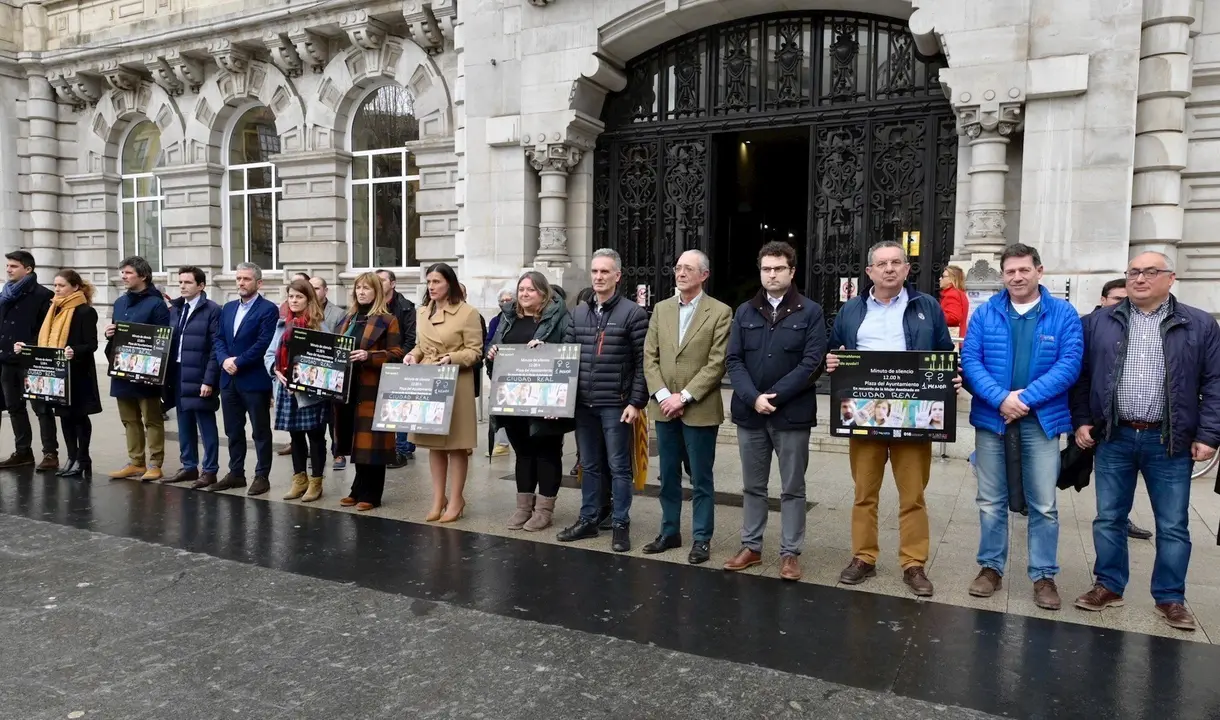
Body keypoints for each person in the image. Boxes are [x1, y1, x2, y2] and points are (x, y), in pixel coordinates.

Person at [1071, 252, 1220, 631]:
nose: (1140, 278)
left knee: (1172, 524)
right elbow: (1082, 376)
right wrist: (1083, 421)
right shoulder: (1098, 323)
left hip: (1169, 440)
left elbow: (1214, 383)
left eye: (1150, 272)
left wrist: (1208, 434)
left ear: (1170, 279)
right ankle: (1108, 585)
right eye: (1133, 272)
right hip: (1114, 436)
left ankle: (1170, 597)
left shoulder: (1199, 324)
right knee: (1109, 517)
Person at [826, 240, 957, 597]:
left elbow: (944, 353)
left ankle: (913, 563)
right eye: (881, 264)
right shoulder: (851, 310)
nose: (888, 269)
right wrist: (833, 362)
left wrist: (951, 378)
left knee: (912, 494)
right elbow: (836, 350)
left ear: (906, 269)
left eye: (896, 262)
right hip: (864, 414)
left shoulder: (926, 306)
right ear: (869, 271)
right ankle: (863, 557)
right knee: (864, 492)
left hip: (913, 416)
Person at [961, 243, 1083, 611]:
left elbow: (1069, 364)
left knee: (1044, 503)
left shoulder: (1063, 314)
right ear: (1003, 275)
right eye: (1010, 271)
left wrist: (1024, 399)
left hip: (1041, 421)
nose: (1016, 277)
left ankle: (1043, 575)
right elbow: (970, 360)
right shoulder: (986, 314)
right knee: (990, 500)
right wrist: (1001, 399)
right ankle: (990, 568)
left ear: (1039, 271)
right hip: (992, 419)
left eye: (1023, 270)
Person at [723, 241, 827, 580]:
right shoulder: (744, 311)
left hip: (792, 415)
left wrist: (775, 396)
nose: (771, 274)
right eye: (766, 268)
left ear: (791, 271)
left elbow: (813, 363)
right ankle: (751, 546)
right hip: (750, 413)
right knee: (753, 486)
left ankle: (789, 553)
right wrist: (753, 397)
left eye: (778, 268)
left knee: (792, 488)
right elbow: (733, 360)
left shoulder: (810, 312)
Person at [641, 249, 732, 565]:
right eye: (678, 267)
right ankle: (669, 532)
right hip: (664, 407)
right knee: (667, 475)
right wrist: (665, 395)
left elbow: (717, 362)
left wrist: (686, 396)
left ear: (704, 275)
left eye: (688, 268)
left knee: (701, 478)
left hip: (700, 408)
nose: (680, 273)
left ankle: (702, 538)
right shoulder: (661, 309)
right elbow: (649, 357)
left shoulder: (720, 312)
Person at [556, 249, 649, 553]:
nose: (598, 277)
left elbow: (642, 363)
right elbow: (566, 358)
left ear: (617, 276)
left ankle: (620, 524)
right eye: (595, 272)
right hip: (584, 404)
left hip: (616, 404)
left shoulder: (632, 313)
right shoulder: (578, 312)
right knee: (590, 465)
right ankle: (589, 519)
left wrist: (635, 402)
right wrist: (560, 401)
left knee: (619, 466)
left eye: (605, 272)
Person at [486, 271, 572, 532]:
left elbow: (569, 353)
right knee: (522, 453)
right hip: (514, 399)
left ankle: (544, 510)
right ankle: (524, 507)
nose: (524, 294)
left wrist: (547, 350)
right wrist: (490, 354)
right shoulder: (507, 318)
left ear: (544, 293)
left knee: (547, 453)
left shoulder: (561, 319)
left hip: (546, 400)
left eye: (531, 290)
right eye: (521, 289)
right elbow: (493, 353)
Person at [405, 263, 482, 521]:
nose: (432, 287)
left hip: (456, 382)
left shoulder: (467, 312)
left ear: (449, 282)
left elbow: (475, 351)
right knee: (433, 445)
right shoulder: (422, 312)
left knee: (456, 446)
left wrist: (452, 357)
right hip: (428, 379)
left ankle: (457, 498)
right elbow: (420, 345)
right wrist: (412, 356)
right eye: (429, 282)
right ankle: (439, 498)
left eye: (436, 281)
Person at [13, 270, 100, 480]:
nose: (57, 289)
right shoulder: (54, 309)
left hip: (78, 373)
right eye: (55, 285)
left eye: (61, 286)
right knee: (64, 417)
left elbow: (91, 344)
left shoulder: (84, 312)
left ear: (76, 287)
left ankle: (83, 457)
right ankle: (71, 457)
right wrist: (27, 347)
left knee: (79, 417)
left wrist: (75, 350)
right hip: (57, 375)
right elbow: (45, 341)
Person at [1090, 278, 1153, 541]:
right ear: (1103, 300)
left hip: (1151, 430)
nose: (1122, 303)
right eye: (1116, 298)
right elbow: (1081, 374)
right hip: (1106, 427)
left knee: (1173, 523)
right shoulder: (1091, 327)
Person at [212, 262, 279, 495]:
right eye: (238, 278)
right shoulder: (228, 307)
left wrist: (237, 362)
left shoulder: (268, 309)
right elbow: (219, 338)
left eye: (246, 279)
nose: (241, 283)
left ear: (258, 283)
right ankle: (236, 473)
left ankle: (262, 476)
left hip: (253, 379)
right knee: (233, 429)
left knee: (260, 430)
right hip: (228, 380)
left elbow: (264, 343)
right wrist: (223, 360)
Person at [105, 256, 171, 481]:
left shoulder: (156, 303)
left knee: (151, 419)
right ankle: (135, 462)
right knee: (129, 419)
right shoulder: (120, 302)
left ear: (143, 276)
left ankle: (155, 463)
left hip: (147, 371)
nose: (123, 276)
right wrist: (109, 334)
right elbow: (115, 334)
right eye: (122, 272)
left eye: (128, 273)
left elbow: (164, 338)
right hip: (122, 368)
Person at [265, 279, 330, 503]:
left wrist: (305, 378)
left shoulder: (319, 325)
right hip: (286, 389)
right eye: (291, 296)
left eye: (299, 297)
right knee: (295, 435)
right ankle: (299, 480)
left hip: (309, 392)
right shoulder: (283, 324)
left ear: (309, 299)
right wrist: (275, 371)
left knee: (315, 436)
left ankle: (316, 482)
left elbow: (327, 360)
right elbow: (269, 354)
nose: (294, 300)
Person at [163, 267, 223, 489]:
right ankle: (189, 466)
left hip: (199, 375)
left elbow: (216, 349)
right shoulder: (176, 309)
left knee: (205, 423)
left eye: (188, 282)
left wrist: (209, 380)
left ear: (201, 286)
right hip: (178, 373)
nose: (182, 286)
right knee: (183, 421)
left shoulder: (212, 310)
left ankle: (210, 470)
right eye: (180, 282)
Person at [0, 250, 56, 470]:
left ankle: (50, 454)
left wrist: (30, 346)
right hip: (6, 360)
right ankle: (23, 452)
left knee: (42, 409)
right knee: (14, 408)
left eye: (13, 266)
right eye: (7, 266)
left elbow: (47, 329)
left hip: (33, 361)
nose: (8, 269)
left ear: (28, 269)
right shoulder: (5, 293)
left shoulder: (43, 295)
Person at [377, 269, 418, 469]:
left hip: (399, 362)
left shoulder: (406, 307)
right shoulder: (371, 306)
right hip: (376, 363)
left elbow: (411, 339)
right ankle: (396, 447)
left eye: (382, 280)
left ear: (392, 284)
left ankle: (401, 449)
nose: (378, 283)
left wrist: (398, 358)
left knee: (399, 408)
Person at [309, 276, 347, 470]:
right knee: (315, 416)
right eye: (311, 288)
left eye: (317, 288)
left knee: (334, 416)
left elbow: (341, 341)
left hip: (332, 371)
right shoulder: (303, 311)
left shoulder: (339, 314)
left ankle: (338, 452)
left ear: (325, 290)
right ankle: (317, 452)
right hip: (311, 370)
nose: (314, 292)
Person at [485, 286, 515, 458]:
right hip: (499, 370)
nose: (505, 303)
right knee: (498, 406)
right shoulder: (496, 321)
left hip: (516, 369)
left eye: (508, 300)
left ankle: (505, 442)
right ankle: (502, 443)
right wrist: (489, 351)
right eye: (502, 301)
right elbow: (488, 341)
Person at [939, 265, 969, 339]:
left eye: (943, 276)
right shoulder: (959, 293)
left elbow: (953, 318)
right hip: (959, 337)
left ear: (951, 279)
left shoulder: (952, 294)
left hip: (953, 338)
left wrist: (935, 316)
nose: (940, 279)